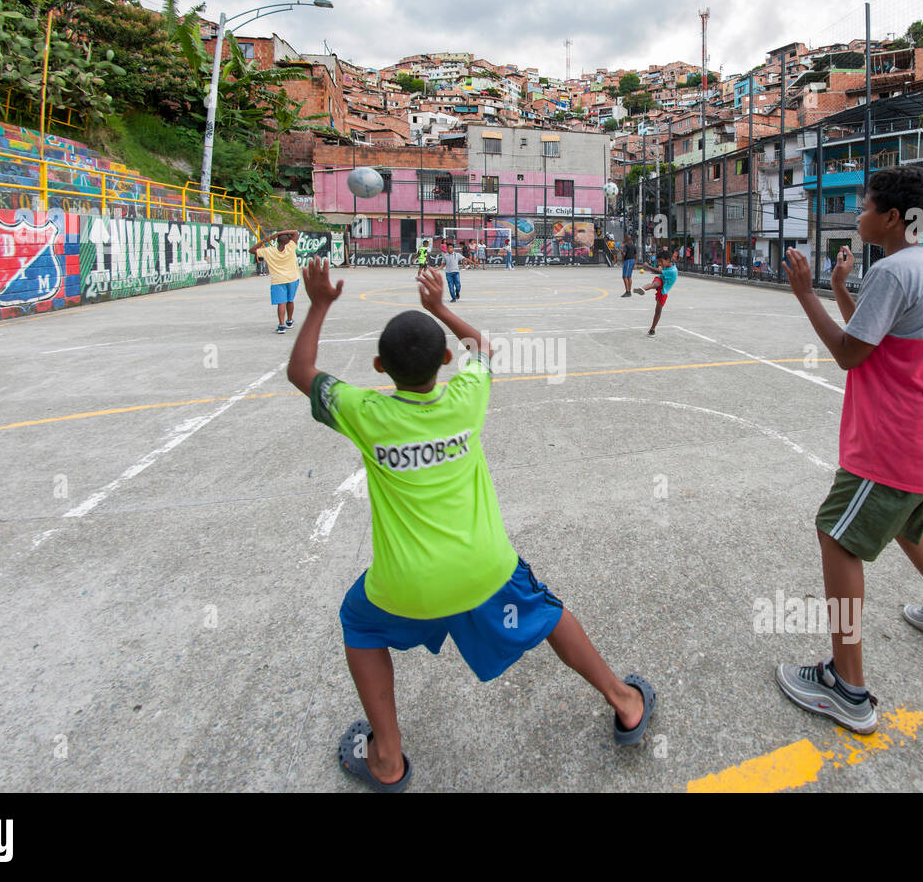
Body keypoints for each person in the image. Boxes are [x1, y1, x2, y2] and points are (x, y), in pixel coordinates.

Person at [286, 259, 657, 791]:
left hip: (404, 584)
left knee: (360, 624)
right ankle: (624, 702)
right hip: (485, 570)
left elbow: (300, 373)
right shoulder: (466, 397)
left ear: (378, 367)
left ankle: (387, 759)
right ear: (443, 359)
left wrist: (320, 305)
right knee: (549, 613)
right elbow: (482, 347)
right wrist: (438, 306)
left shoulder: (363, 411)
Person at [777, 165, 923, 736]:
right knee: (905, 526)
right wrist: (843, 289)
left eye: (866, 205)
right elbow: (873, 342)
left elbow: (849, 355)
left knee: (835, 533)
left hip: (901, 437)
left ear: (892, 217)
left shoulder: (896, 272)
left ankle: (847, 688)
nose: (859, 214)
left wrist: (805, 295)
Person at [249, 231, 300, 333]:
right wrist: (278, 233)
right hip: (293, 278)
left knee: (281, 303)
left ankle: (281, 326)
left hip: (278, 280)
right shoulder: (291, 247)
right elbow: (295, 232)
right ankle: (289, 321)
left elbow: (252, 250)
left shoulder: (269, 251)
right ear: (288, 241)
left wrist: (267, 239)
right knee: (290, 300)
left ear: (276, 241)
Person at [632, 249, 677, 336]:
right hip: (660, 279)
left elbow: (658, 271)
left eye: (661, 261)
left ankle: (652, 329)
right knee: (656, 283)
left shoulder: (673, 271)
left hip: (664, 290)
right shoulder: (667, 265)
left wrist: (647, 266)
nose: (660, 263)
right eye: (659, 261)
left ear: (668, 259)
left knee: (658, 311)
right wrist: (660, 266)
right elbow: (660, 271)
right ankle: (642, 289)